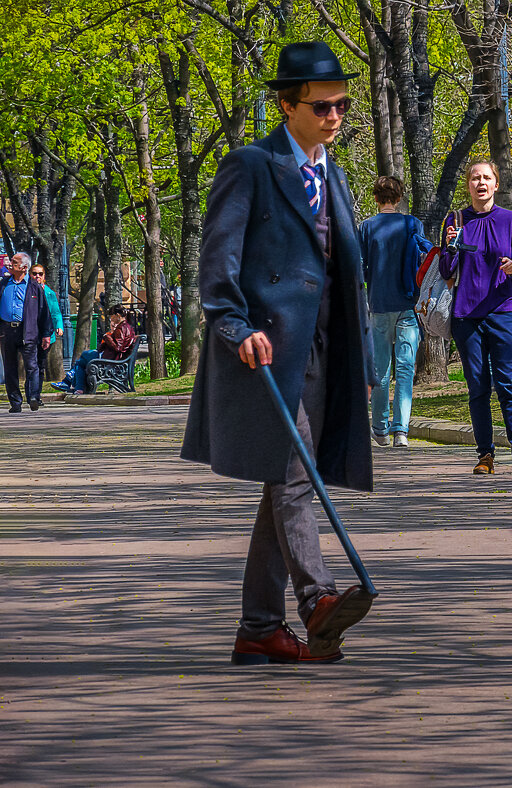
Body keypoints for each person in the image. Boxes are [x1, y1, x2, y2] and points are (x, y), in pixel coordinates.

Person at [180, 41, 376, 665]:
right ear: (287, 105)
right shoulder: (251, 165)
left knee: (284, 479)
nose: (336, 116)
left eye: (343, 104)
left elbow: (347, 277)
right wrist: (235, 328)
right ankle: (317, 598)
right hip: (265, 352)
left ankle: (259, 627)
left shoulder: (334, 176)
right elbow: (219, 261)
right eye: (323, 106)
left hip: (321, 352)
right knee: (294, 471)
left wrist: (362, 363)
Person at [439, 160, 512, 475]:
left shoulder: (511, 220)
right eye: (474, 178)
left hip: (502, 312)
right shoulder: (455, 221)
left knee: (508, 385)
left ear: (496, 184)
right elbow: (444, 270)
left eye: (486, 177)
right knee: (478, 387)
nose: (480, 182)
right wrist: (452, 246)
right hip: (466, 317)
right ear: (468, 185)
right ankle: (485, 456)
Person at [359, 175, 431, 448]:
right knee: (405, 367)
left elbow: (358, 265)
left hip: (378, 305)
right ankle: (401, 430)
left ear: (376, 198)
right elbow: (425, 254)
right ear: (399, 198)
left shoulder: (366, 227)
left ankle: (379, 428)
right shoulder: (412, 224)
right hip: (408, 304)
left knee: (379, 369)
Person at [0, 252, 53, 413]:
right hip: (7, 331)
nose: (9, 264)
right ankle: (15, 402)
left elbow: (44, 312)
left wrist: (46, 334)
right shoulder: (3, 283)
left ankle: (33, 397)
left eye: (14, 262)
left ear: (23, 267)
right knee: (10, 367)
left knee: (32, 366)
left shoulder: (34, 286)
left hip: (28, 330)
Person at [53, 304, 136, 394]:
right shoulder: (127, 327)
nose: (111, 319)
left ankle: (73, 385)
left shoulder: (121, 328)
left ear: (118, 315)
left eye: (112, 316)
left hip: (111, 361)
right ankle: (76, 387)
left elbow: (118, 348)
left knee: (83, 357)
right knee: (80, 364)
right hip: (114, 359)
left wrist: (107, 337)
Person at [30, 263, 64, 391]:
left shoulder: (49, 293)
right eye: (34, 273)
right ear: (30, 275)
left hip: (45, 334)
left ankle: (36, 394)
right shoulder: (26, 290)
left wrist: (59, 326)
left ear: (44, 276)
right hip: (29, 333)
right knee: (30, 364)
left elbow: (55, 312)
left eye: (40, 274)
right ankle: (30, 392)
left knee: (40, 364)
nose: (37, 276)